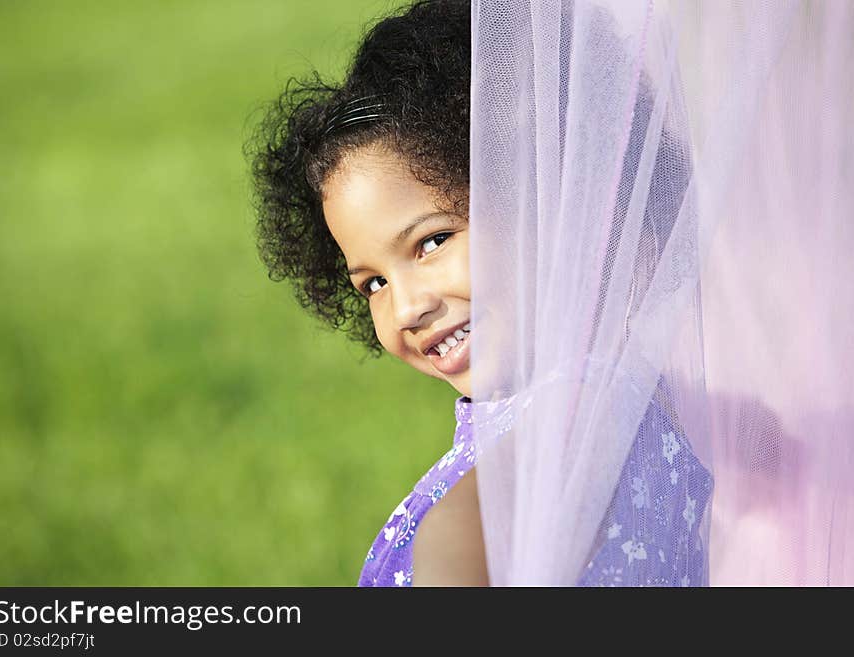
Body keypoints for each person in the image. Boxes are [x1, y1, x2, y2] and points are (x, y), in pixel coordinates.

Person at [248, 0, 714, 586]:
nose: (407, 307)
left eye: (432, 241)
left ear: (554, 199)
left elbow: (475, 521)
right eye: (373, 283)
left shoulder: (580, 403)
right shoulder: (645, 394)